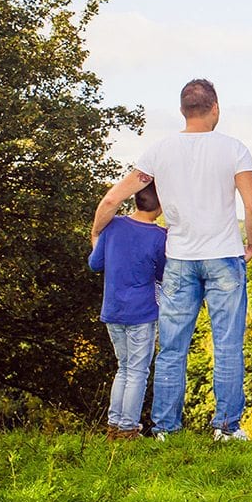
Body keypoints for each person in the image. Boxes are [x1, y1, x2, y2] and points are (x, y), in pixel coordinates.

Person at [93, 78, 252, 442]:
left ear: (183, 110)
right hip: (224, 257)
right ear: (215, 107)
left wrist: (96, 235)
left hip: (179, 259)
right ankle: (226, 428)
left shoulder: (158, 151)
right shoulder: (234, 150)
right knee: (228, 345)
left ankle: (166, 428)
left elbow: (111, 201)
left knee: (172, 348)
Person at [87, 182, 167, 439]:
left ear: (135, 201)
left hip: (113, 310)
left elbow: (95, 264)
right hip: (141, 313)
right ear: (160, 206)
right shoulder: (159, 237)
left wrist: (95, 238)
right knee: (138, 371)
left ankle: (114, 424)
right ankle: (128, 428)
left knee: (123, 367)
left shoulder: (113, 226)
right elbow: (163, 274)